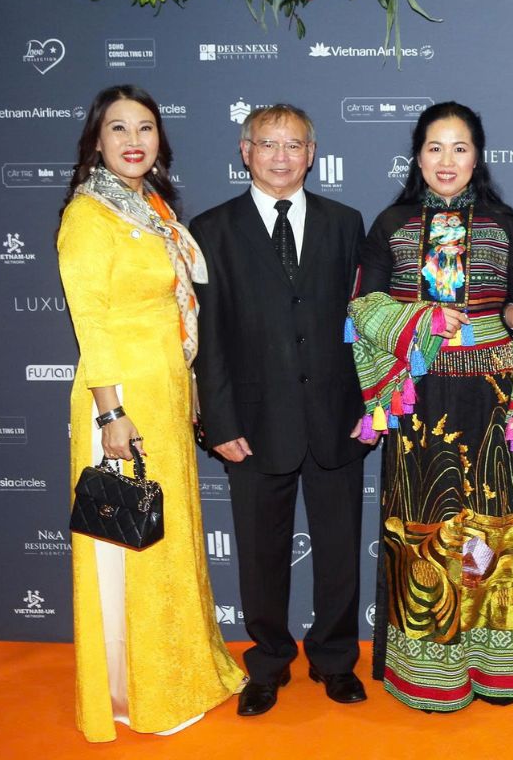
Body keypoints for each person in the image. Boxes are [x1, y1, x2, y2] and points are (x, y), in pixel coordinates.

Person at [350, 101, 513, 712]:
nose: (447, 161)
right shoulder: (391, 223)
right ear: (418, 156)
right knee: (425, 527)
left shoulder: (503, 222)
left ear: (477, 156)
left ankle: (494, 667)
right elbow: (362, 308)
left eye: (460, 148)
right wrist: (422, 320)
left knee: (490, 530)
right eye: (435, 148)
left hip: (492, 402)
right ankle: (429, 672)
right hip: (418, 400)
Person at [59, 84, 244, 742]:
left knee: (167, 539)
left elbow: (176, 311)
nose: (133, 140)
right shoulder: (89, 216)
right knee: (131, 546)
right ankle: (137, 691)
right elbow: (91, 323)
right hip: (122, 399)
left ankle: (179, 671)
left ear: (160, 139)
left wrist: (187, 387)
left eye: (144, 127)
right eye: (118, 128)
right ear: (96, 140)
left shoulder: (152, 208)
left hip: (163, 393)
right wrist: (111, 414)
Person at [190, 104, 369, 716]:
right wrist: (219, 422)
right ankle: (267, 664)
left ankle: (335, 660)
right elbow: (208, 336)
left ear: (311, 155)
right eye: (268, 144)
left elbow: (367, 323)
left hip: (338, 416)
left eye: (294, 145)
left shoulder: (345, 223)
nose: (281, 156)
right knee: (260, 555)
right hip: (253, 423)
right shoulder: (211, 230)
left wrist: (370, 405)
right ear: (245, 151)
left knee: (341, 553)